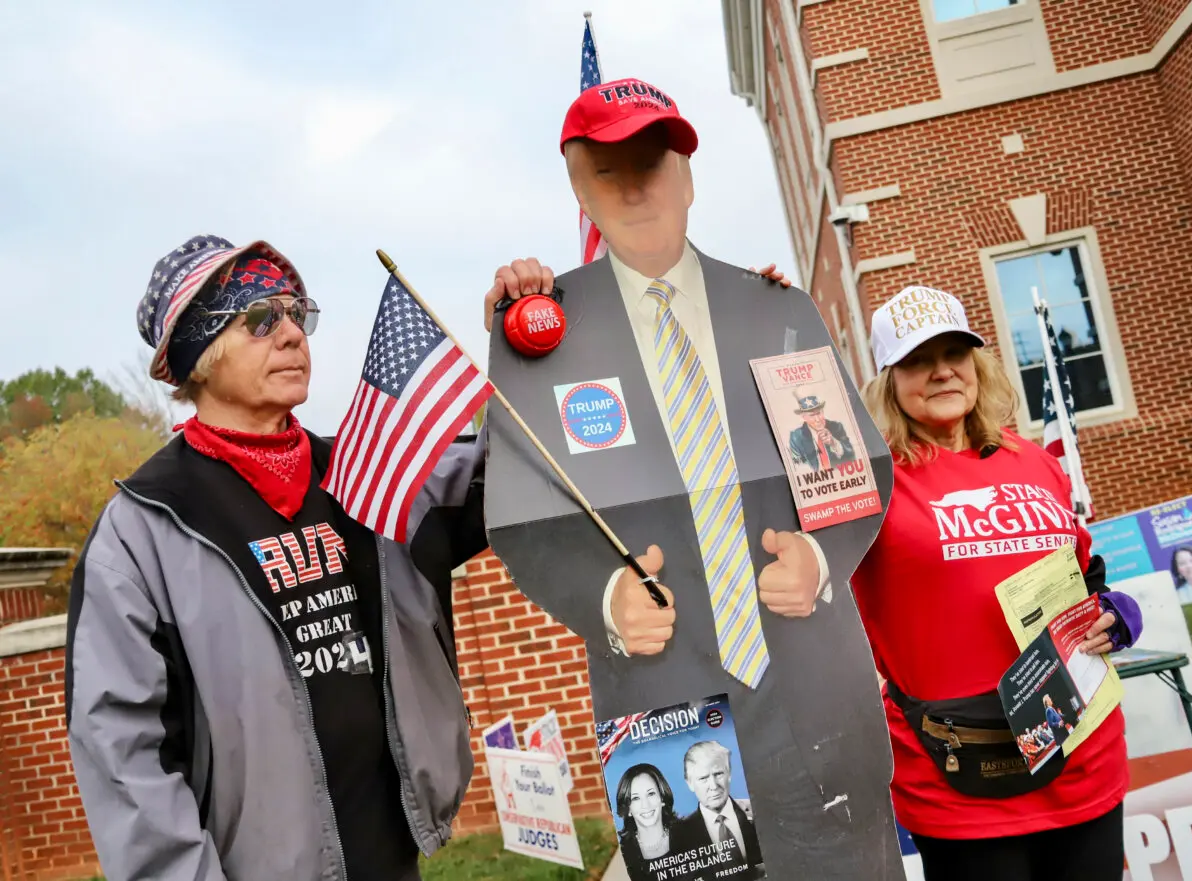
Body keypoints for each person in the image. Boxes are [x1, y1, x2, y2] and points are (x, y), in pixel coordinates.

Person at [481, 78, 903, 879]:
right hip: (671, 732)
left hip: (817, 702)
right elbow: (521, 515)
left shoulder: (774, 307)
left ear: (687, 176)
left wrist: (819, 558)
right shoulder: (544, 333)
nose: (637, 184)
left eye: (653, 160)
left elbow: (857, 466)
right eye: (610, 169)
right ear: (578, 187)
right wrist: (606, 597)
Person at [65, 236, 485, 881]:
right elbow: (122, 748)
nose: (292, 334)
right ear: (197, 357)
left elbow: (507, 477)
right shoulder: (143, 529)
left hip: (390, 850)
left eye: (298, 312)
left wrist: (525, 340)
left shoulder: (366, 470)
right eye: (261, 318)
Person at [851, 284, 1144, 881]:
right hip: (960, 776)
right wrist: (756, 313)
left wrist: (1116, 612)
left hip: (1081, 751)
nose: (940, 373)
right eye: (916, 360)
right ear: (888, 378)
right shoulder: (866, 482)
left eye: (954, 354)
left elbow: (1084, 577)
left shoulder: (1032, 461)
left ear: (976, 364)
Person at [672, 741, 764, 880]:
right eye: (703, 778)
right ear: (690, 783)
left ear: (730, 774)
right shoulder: (679, 835)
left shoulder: (758, 812)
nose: (714, 786)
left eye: (718, 774)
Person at [614, 763, 680, 880]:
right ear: (628, 809)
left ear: (662, 798)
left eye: (650, 794)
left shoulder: (689, 835)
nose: (645, 805)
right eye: (636, 798)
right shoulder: (622, 857)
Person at [788, 392, 856, 472]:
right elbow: (797, 466)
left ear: (822, 411)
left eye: (818, 413)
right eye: (812, 415)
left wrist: (833, 443)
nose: (817, 419)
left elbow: (852, 456)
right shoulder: (796, 437)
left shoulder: (836, 427)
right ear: (804, 417)